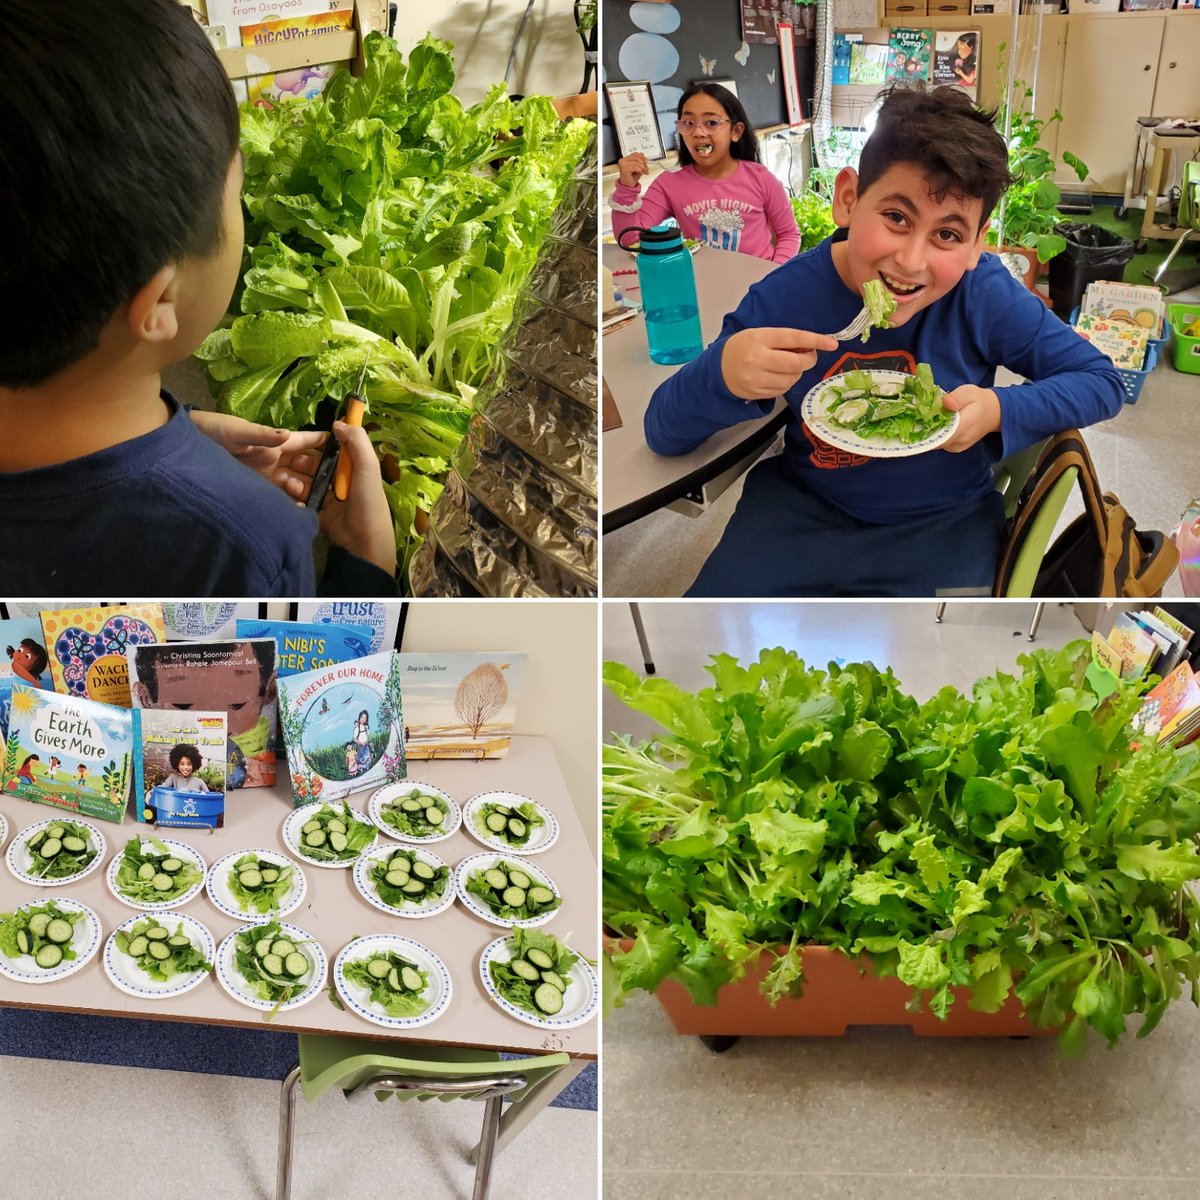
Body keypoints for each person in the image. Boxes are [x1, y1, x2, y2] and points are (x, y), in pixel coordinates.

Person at [643, 83, 1125, 597]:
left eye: (947, 235)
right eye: (896, 217)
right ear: (848, 199)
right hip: (804, 509)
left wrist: (998, 410)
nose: (912, 261)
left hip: (945, 521)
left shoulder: (981, 293)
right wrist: (721, 374)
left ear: (975, 245)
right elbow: (662, 433)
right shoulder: (783, 298)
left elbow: (1102, 381)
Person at [0, 0, 397, 596]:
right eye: (235, 193)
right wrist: (366, 566)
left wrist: (179, 441)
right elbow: (317, 689)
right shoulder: (251, 543)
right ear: (160, 302)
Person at [610, 83, 800, 263]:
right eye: (688, 123)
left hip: (759, 288)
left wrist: (774, 274)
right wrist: (627, 189)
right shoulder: (669, 183)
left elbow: (789, 234)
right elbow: (630, 240)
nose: (698, 132)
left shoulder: (761, 179)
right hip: (702, 286)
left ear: (736, 131)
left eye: (711, 122)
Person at [131, 639, 277, 789]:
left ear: (270, 690)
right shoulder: (156, 756)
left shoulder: (265, 758)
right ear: (145, 697)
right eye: (183, 705)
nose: (216, 725)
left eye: (236, 704)